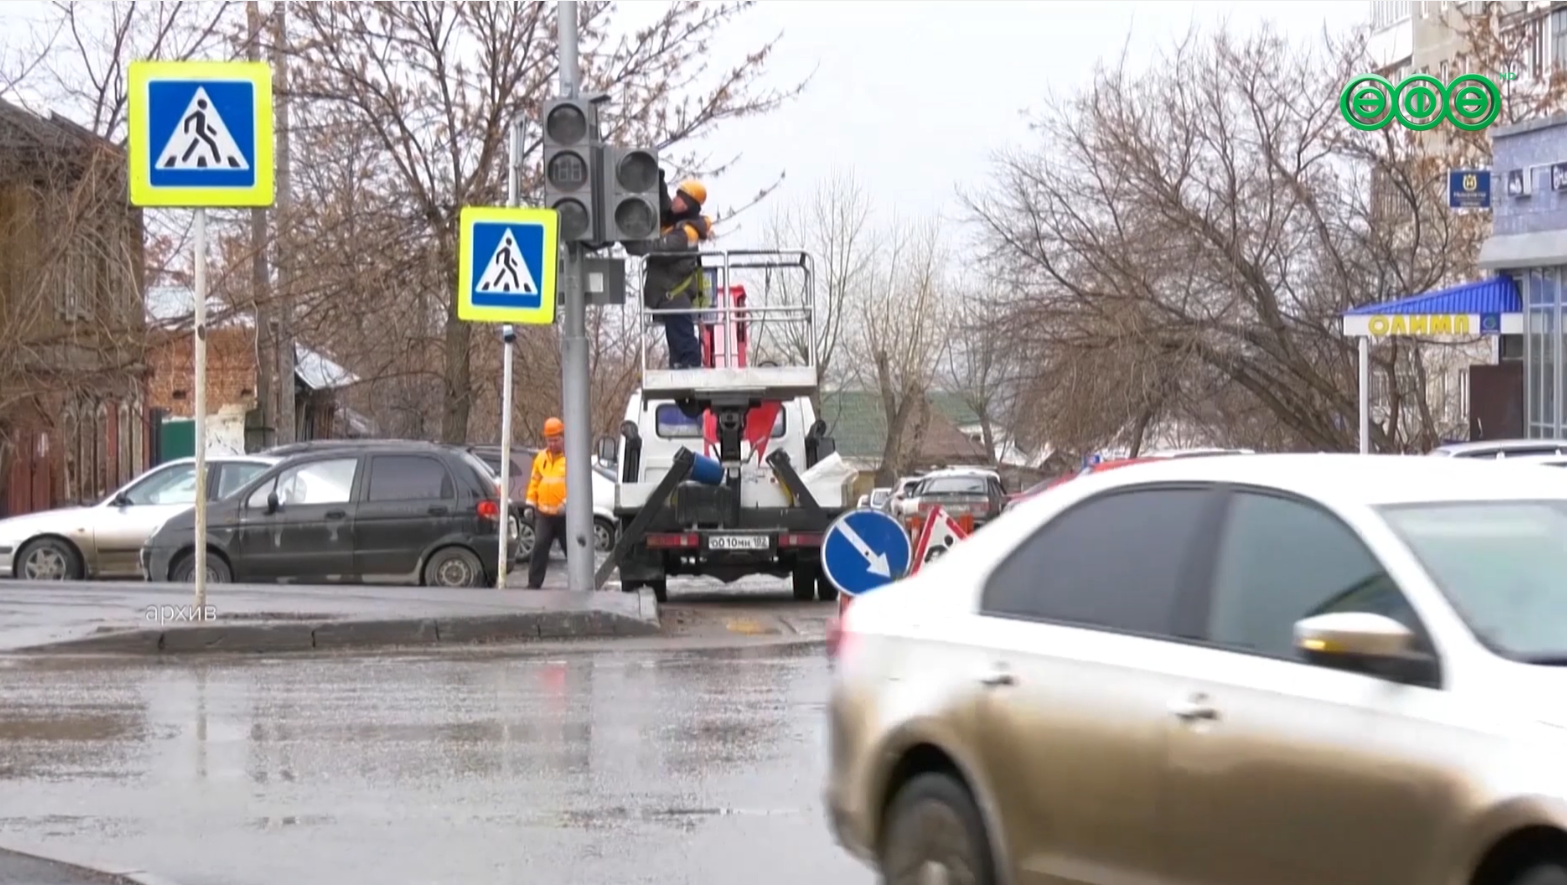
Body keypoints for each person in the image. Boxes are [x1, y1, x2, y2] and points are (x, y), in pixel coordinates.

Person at [625, 175, 711, 369]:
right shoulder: (678, 223)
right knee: (677, 343)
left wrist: (628, 241)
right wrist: (657, 179)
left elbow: (655, 248)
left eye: (680, 198)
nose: (675, 199)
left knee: (684, 343)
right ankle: (682, 368)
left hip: (675, 296)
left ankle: (691, 370)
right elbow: (665, 207)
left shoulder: (685, 234)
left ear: (688, 205)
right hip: (671, 295)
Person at [525, 417, 568, 589]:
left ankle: (584, 585)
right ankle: (534, 583)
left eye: (556, 440)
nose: (552, 444)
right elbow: (534, 482)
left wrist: (567, 504)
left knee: (573, 551)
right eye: (549, 440)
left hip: (565, 515)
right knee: (540, 546)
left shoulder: (571, 458)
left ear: (563, 438)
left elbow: (578, 484)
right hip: (544, 513)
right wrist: (530, 503)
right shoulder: (541, 458)